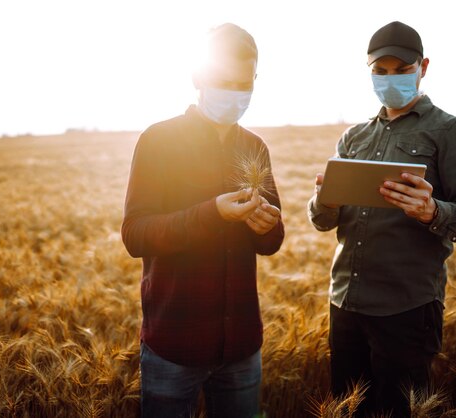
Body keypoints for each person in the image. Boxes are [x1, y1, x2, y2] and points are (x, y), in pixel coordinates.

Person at [308, 21, 456, 417]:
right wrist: (325, 201)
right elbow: (323, 222)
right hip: (345, 303)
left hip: (406, 311)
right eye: (381, 71)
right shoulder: (354, 137)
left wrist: (433, 211)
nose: (390, 79)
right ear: (370, 72)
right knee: (346, 408)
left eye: (402, 70)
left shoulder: (450, 130)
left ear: (423, 67)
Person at [121, 23, 284, 418]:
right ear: (198, 77)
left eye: (243, 82)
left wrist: (268, 226)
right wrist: (212, 214)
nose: (234, 91)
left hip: (241, 348)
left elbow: (272, 240)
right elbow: (135, 234)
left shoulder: (254, 146)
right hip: (173, 347)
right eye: (223, 80)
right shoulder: (159, 141)